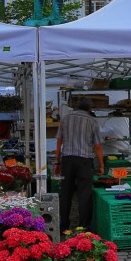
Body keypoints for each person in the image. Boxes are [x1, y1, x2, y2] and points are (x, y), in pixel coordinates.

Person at [54, 96, 104, 232]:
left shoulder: (65, 119)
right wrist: (101, 165)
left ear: (76, 106)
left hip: (67, 160)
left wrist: (57, 162)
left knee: (66, 193)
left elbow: (59, 141)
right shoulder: (92, 121)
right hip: (84, 161)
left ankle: (64, 226)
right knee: (84, 194)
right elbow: (98, 146)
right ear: (90, 108)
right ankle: (83, 227)